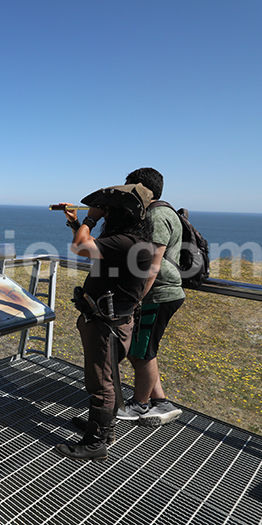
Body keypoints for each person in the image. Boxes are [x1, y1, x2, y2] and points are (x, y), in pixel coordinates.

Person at [55, 183, 154, 461]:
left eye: (108, 211)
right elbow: (91, 248)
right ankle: (102, 427)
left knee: (101, 383)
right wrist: (75, 223)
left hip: (107, 326)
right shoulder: (132, 241)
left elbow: (80, 247)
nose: (105, 215)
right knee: (105, 377)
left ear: (122, 214)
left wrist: (90, 218)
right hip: (111, 322)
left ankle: (96, 443)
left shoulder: (126, 242)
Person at [117, 168, 184, 426]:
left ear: (143, 189)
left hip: (158, 293)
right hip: (157, 293)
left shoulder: (157, 215)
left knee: (143, 351)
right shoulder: (162, 211)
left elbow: (153, 266)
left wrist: (136, 299)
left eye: (129, 188)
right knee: (140, 350)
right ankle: (160, 401)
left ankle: (140, 404)